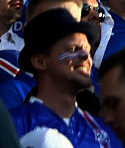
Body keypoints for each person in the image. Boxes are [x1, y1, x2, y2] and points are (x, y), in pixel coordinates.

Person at [10, 8, 118, 148]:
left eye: (87, 50)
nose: (86, 57)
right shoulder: (12, 125)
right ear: (40, 62)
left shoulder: (106, 130)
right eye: (73, 49)